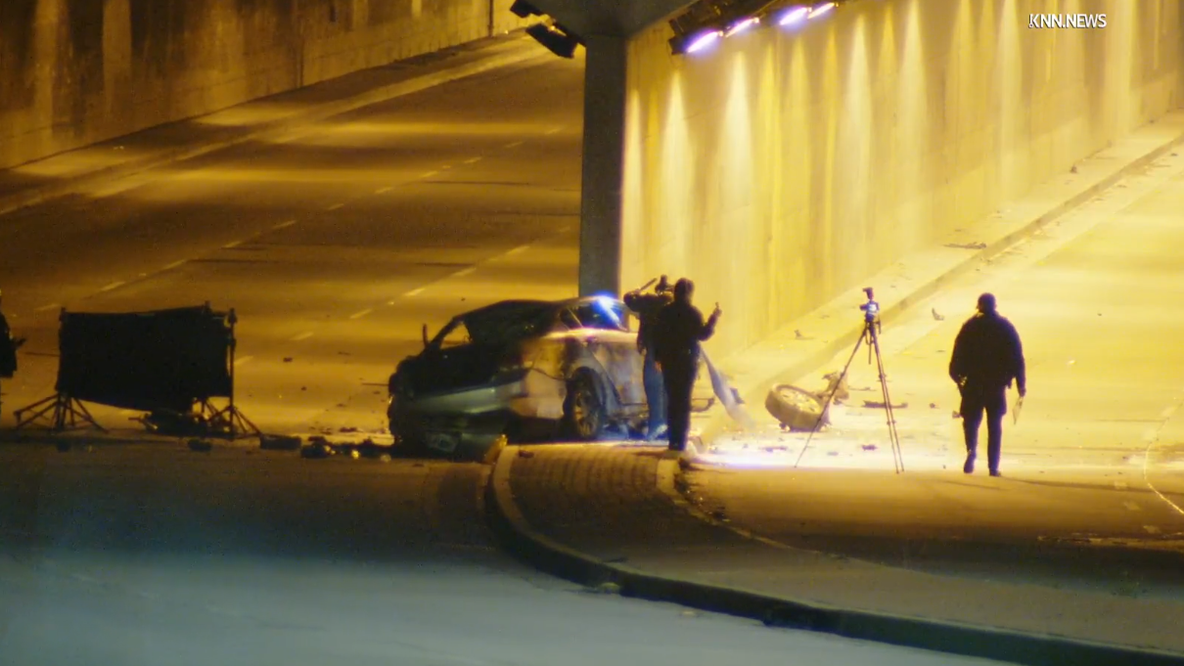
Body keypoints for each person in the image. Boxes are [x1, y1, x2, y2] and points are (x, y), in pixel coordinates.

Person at [948, 293, 1026, 477]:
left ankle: (971, 450)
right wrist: (1020, 383)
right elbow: (1017, 357)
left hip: (973, 384)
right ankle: (993, 466)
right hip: (996, 384)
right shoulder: (1005, 327)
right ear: (995, 306)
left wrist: (958, 379)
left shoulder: (969, 327)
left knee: (971, 422)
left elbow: (957, 355)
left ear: (979, 306)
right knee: (994, 426)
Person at [652, 278, 721, 452]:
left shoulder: (665, 312)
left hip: (669, 362)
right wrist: (714, 318)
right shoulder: (693, 313)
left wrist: (658, 358)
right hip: (687, 362)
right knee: (683, 401)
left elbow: (657, 337)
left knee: (672, 400)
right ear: (689, 293)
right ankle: (680, 441)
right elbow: (703, 334)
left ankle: (672, 439)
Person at [624, 275, 674, 440]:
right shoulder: (676, 304)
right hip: (671, 351)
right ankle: (667, 428)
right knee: (667, 391)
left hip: (655, 349)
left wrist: (637, 291)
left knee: (654, 389)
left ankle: (656, 427)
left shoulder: (652, 301)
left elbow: (629, 299)